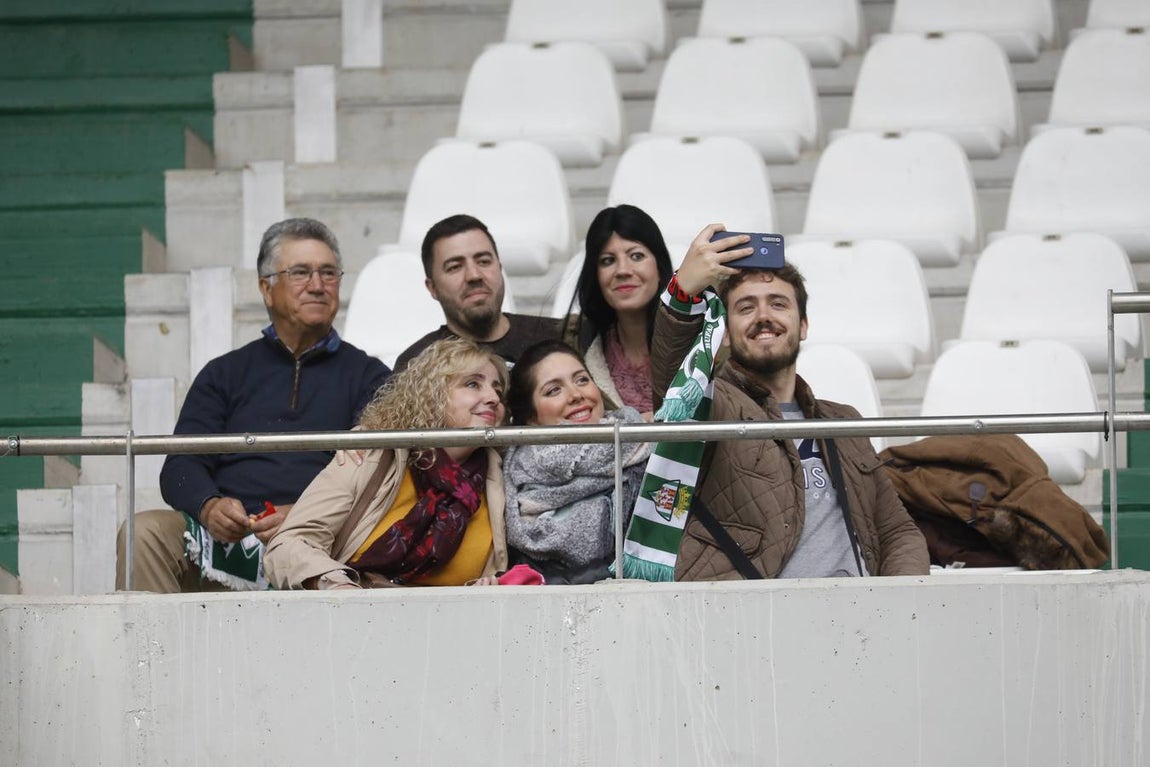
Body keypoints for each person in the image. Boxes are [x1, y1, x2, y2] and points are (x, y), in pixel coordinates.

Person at [631, 224, 929, 581]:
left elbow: (898, 532)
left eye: (778, 303)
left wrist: (899, 601)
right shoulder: (712, 403)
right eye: (746, 307)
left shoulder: (844, 420)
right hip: (761, 626)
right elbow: (675, 377)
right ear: (724, 333)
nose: (763, 317)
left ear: (802, 325)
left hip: (861, 620)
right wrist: (683, 294)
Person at [116, 217, 391, 592]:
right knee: (143, 534)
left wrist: (305, 515)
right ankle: (146, 654)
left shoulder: (370, 376)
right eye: (300, 272)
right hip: (228, 539)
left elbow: (375, 477)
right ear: (267, 288)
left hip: (323, 537)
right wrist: (209, 506)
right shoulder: (225, 373)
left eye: (328, 273)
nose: (317, 285)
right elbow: (181, 465)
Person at [264, 338, 510, 589]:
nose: (493, 398)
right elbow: (289, 545)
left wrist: (487, 589)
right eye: (472, 384)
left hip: (456, 621)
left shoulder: (499, 475)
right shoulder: (372, 452)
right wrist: (337, 586)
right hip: (359, 613)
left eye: (498, 390)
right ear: (433, 394)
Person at [501, 340, 651, 584]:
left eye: (581, 379)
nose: (576, 395)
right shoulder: (514, 478)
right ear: (530, 418)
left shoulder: (644, 443)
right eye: (553, 390)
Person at [394, 214, 561, 372]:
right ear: (432, 288)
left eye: (483, 261)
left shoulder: (559, 337)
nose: (474, 275)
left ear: (500, 268)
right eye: (454, 267)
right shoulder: (417, 365)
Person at [561, 205, 674, 419]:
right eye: (608, 261)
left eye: (637, 256)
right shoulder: (576, 346)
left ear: (659, 268)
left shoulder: (697, 337)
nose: (622, 270)